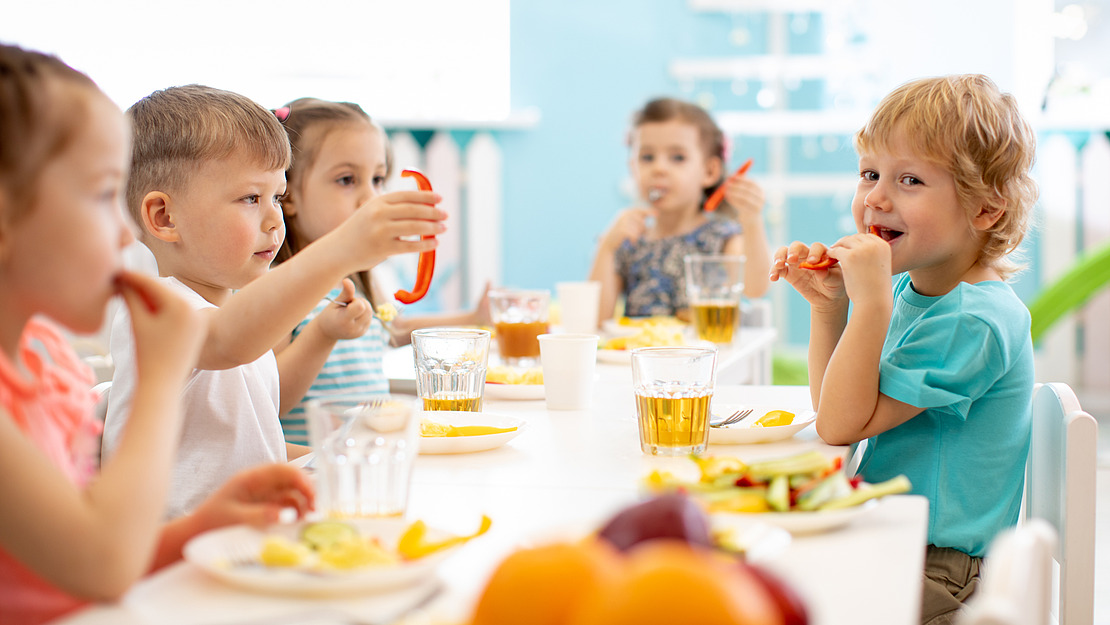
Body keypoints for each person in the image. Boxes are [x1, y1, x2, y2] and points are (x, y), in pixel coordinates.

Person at [0, 44, 314, 625]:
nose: (125, 237)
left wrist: (201, 528)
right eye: (100, 197)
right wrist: (161, 377)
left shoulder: (50, 364)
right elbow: (100, 564)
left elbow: (93, 553)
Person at [102, 86, 447, 518]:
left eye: (277, 197)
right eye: (251, 198)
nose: (274, 219)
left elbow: (250, 443)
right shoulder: (154, 312)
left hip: (241, 537)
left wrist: (339, 456)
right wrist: (342, 248)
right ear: (164, 218)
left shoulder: (235, 318)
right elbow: (226, 341)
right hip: (170, 556)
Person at [769, 74, 1037, 625]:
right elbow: (837, 408)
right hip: (896, 533)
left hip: (937, 570)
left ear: (986, 210)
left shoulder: (976, 319)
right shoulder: (910, 291)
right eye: (869, 173)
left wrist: (868, 308)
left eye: (910, 179)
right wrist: (830, 308)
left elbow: (840, 426)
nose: (875, 198)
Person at [271, 97, 490, 444]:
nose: (371, 198)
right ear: (288, 193)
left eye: (377, 179)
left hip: (375, 460)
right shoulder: (274, 286)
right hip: (315, 471)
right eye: (346, 179)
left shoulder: (361, 277)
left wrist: (473, 316)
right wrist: (323, 334)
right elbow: (268, 401)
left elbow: (395, 326)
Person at [589, 97, 771, 321]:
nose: (659, 168)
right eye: (647, 157)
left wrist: (752, 220)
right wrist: (607, 247)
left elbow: (756, 287)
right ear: (632, 168)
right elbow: (594, 320)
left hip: (707, 354)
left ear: (709, 172)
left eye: (677, 158)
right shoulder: (629, 242)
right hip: (640, 356)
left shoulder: (720, 237)